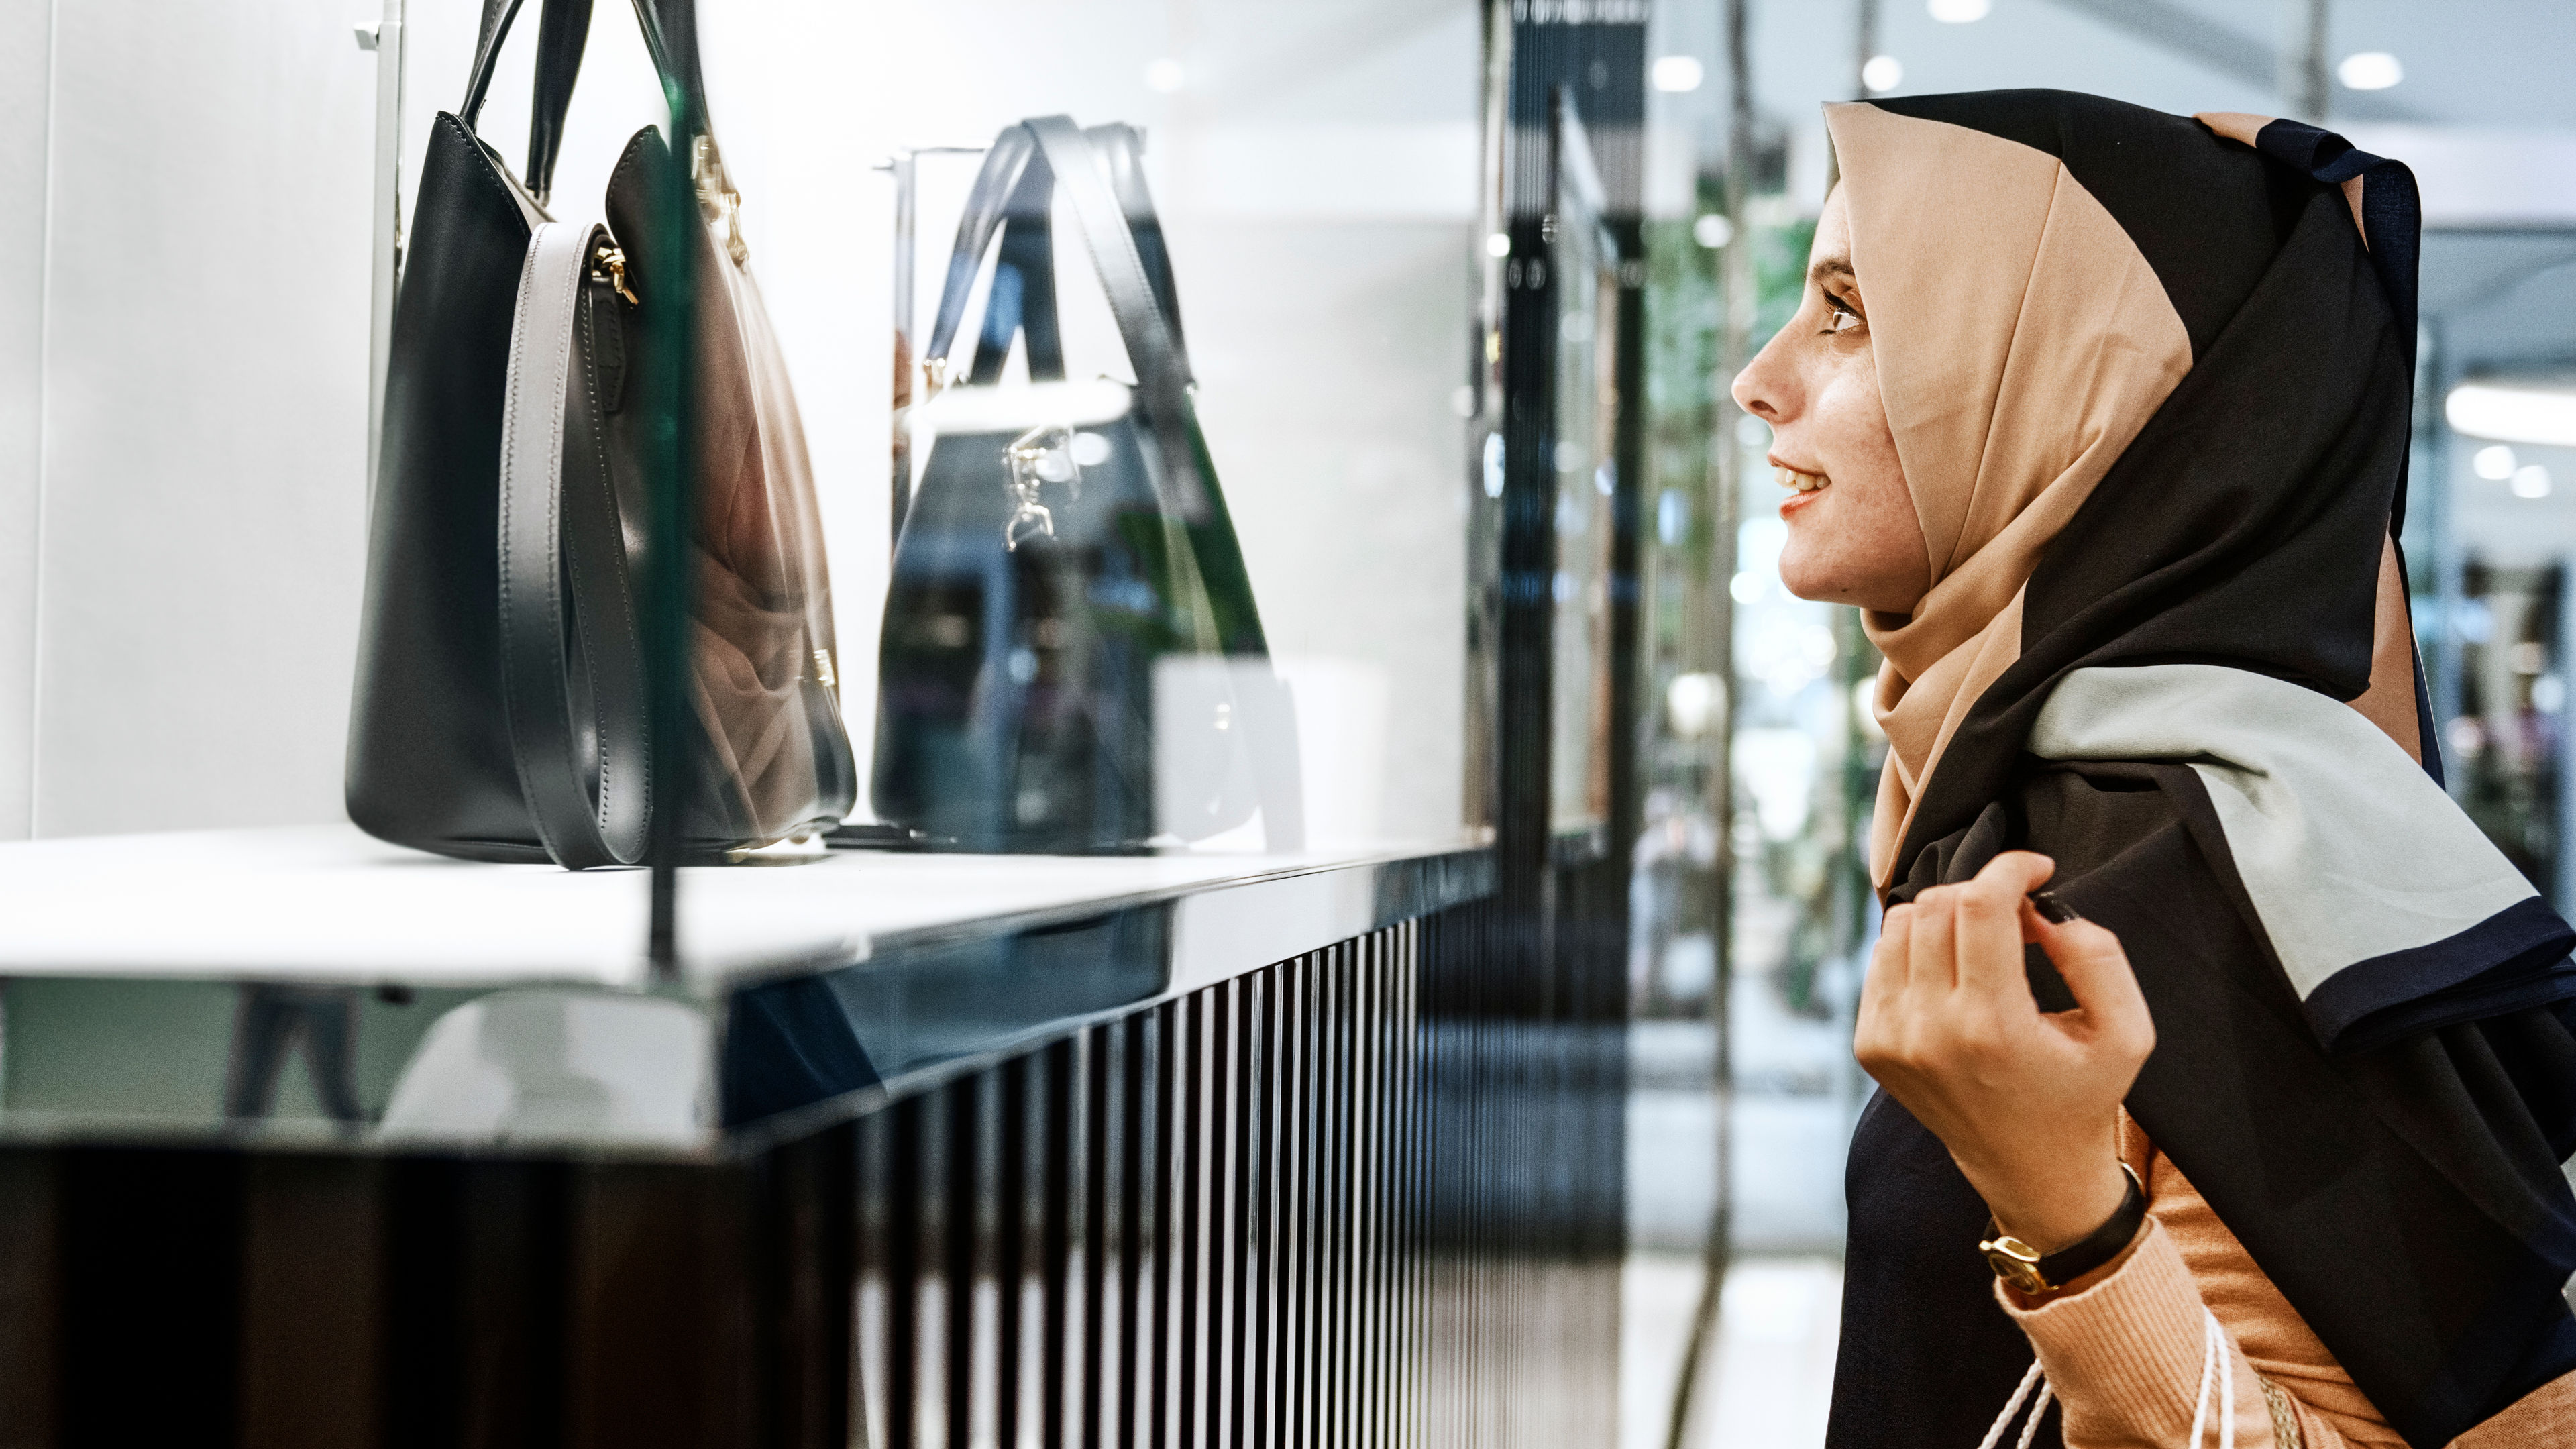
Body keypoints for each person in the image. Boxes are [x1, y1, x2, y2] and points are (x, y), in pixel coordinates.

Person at [1731, 90, 2576, 1448]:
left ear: (2067, 389)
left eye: (1848, 310)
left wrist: (2073, 1227)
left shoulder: (2190, 852)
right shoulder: (2022, 793)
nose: (1758, 377)